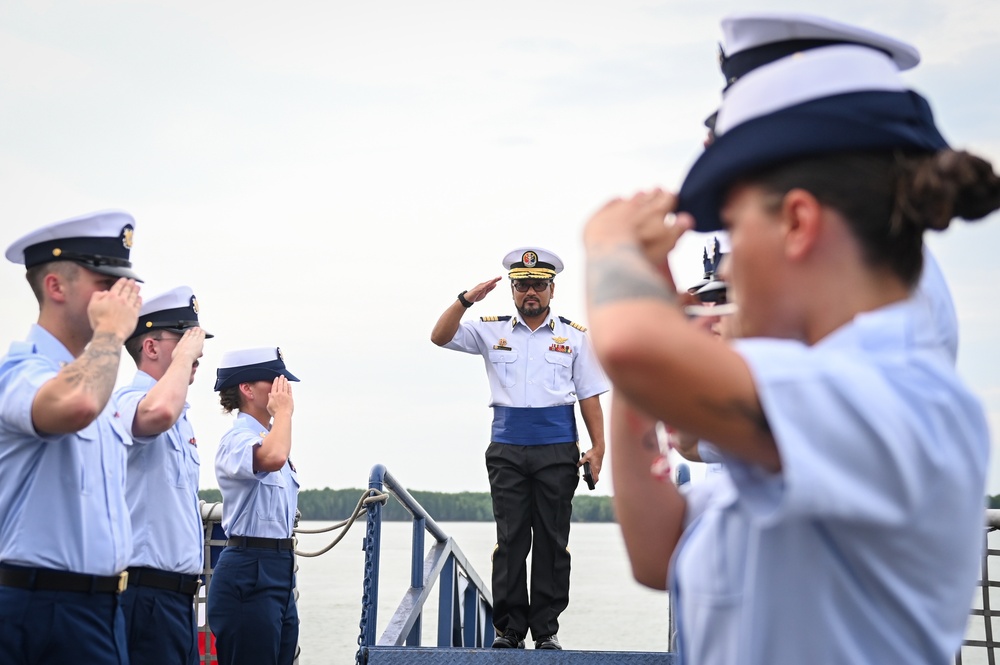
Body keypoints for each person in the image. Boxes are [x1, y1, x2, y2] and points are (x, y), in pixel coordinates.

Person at [582, 14, 1000, 665]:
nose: (728, 266)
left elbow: (634, 346)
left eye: (737, 233)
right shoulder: (816, 407)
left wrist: (607, 248)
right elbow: (655, 549)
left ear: (798, 223)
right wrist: (653, 330)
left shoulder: (900, 393)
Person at [430, 247, 609, 651]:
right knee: (511, 540)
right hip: (508, 446)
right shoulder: (492, 330)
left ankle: (545, 630)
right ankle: (509, 629)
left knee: (551, 539)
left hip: (557, 447)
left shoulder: (575, 336)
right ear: (512, 289)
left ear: (551, 289)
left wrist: (599, 448)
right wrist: (465, 300)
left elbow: (590, 397)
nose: (531, 292)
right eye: (523, 285)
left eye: (538, 285)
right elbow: (439, 337)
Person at [0, 210, 142, 665]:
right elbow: (77, 404)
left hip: (103, 605)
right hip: (40, 609)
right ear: (55, 287)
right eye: (105, 283)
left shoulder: (95, 381)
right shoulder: (21, 374)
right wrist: (111, 333)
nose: (122, 297)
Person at [115, 286, 212, 665]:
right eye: (185, 338)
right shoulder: (128, 401)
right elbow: (155, 414)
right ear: (151, 347)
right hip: (143, 595)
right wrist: (183, 357)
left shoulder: (179, 415)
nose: (197, 352)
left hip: (177, 601)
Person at [207, 347, 301, 665]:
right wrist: (285, 414)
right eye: (274, 382)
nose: (283, 389)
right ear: (247, 389)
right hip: (249, 570)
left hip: (279, 568)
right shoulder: (237, 440)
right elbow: (271, 458)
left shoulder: (269, 436)